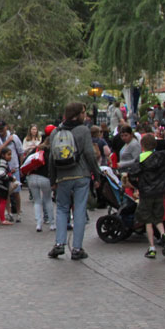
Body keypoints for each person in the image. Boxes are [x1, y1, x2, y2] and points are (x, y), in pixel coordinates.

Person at [48, 102, 103, 260]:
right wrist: (96, 175)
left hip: (63, 175)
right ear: (77, 114)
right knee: (79, 209)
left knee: (61, 209)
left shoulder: (55, 132)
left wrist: (53, 179)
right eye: (83, 113)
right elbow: (89, 154)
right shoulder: (83, 130)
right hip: (81, 175)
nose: (85, 116)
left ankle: (59, 244)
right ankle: (77, 248)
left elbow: (51, 158)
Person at [129, 133, 165, 259]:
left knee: (148, 220)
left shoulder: (141, 158)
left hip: (146, 192)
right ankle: (163, 234)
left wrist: (138, 185)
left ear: (142, 146)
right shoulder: (162, 156)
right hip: (160, 191)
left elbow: (132, 174)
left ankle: (152, 248)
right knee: (158, 218)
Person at [0, 121, 23, 221]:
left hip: (14, 167)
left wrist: (21, 167)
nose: (1, 131)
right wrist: (7, 142)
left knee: (16, 191)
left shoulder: (14, 137)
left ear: (6, 127)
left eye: (2, 128)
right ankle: (8, 213)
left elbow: (20, 152)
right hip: (2, 168)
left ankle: (18, 212)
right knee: (6, 192)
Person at [26, 126, 55, 232]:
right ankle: (51, 223)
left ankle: (38, 224)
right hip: (45, 178)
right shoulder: (52, 150)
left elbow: (26, 160)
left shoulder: (37, 149)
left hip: (33, 177)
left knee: (37, 201)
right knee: (47, 200)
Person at [0, 148, 15, 225]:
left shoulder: (0, 162)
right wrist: (10, 178)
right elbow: (1, 173)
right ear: (3, 155)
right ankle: (2, 219)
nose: (10, 156)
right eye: (8, 154)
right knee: (2, 201)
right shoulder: (3, 162)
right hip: (0, 183)